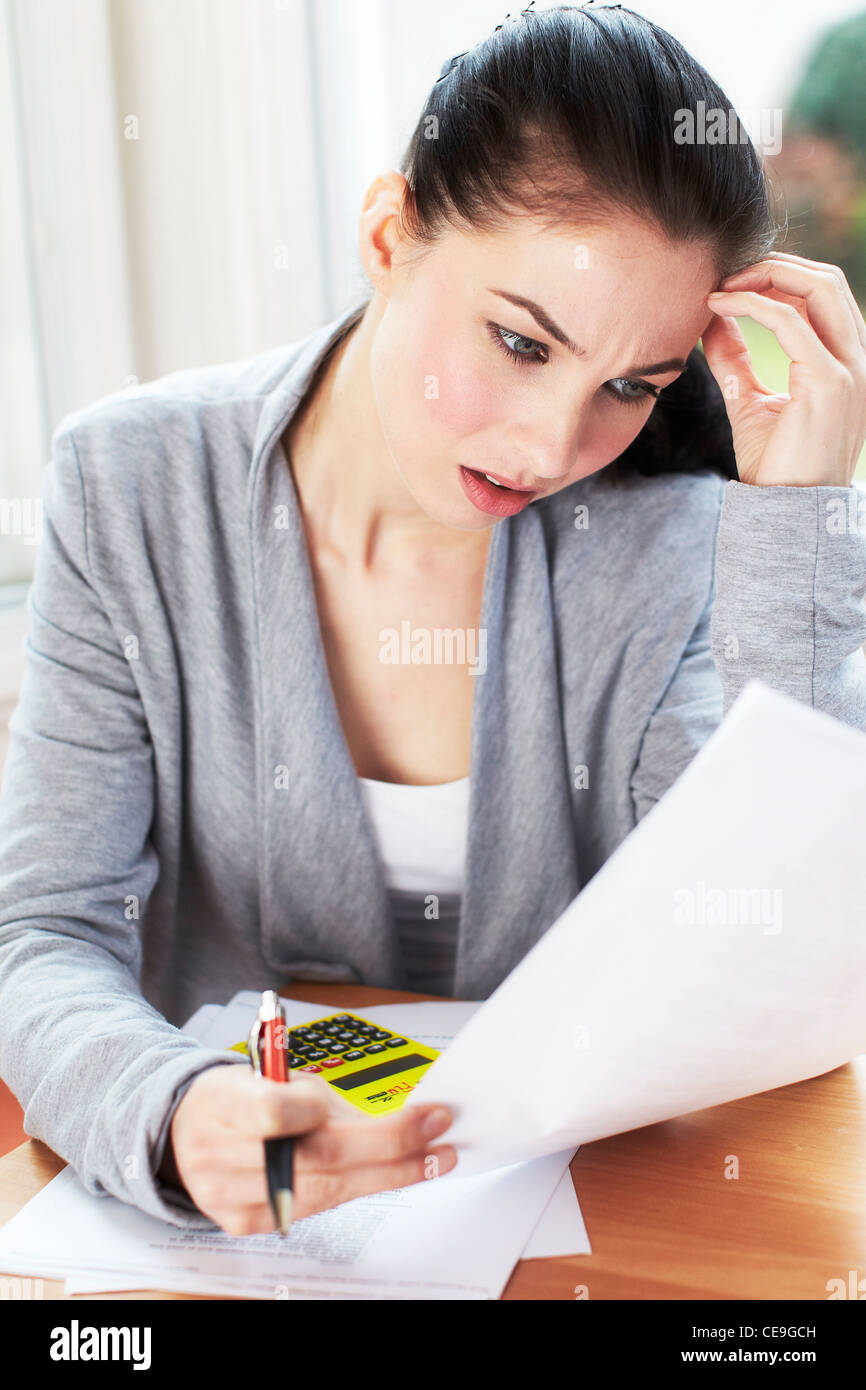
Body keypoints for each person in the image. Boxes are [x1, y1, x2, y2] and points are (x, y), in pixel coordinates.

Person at [1, 3, 865, 1240]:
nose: (550, 445)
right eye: (519, 341)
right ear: (388, 232)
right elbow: (43, 931)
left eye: (629, 384)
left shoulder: (671, 541)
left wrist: (798, 532)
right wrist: (174, 1109)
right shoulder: (129, 489)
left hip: (589, 1238)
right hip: (223, 1248)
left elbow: (780, 961)